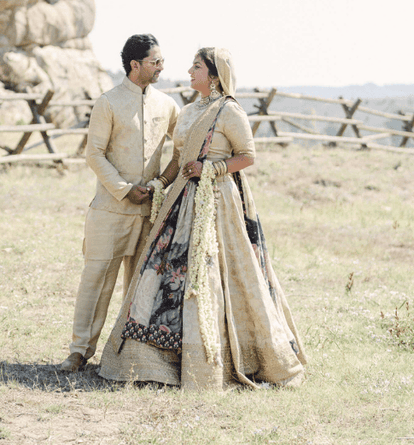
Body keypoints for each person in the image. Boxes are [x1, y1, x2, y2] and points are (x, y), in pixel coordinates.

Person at [99, 47, 306, 390]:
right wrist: (159, 184)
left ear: (213, 74)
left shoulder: (229, 110)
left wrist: (212, 168)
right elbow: (178, 156)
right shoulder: (190, 109)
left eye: (196, 66)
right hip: (181, 201)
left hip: (217, 201)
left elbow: (248, 156)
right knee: (166, 275)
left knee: (208, 275)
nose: (189, 71)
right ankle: (153, 362)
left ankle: (218, 360)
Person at [58, 34, 180, 372]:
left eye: (161, 60)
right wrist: (124, 189)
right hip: (109, 209)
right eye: (155, 61)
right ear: (134, 65)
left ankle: (129, 354)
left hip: (149, 212)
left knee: (141, 285)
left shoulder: (167, 105)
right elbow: (93, 153)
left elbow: (182, 145)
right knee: (95, 281)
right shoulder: (108, 102)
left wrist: (162, 183)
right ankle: (79, 351)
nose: (161, 67)